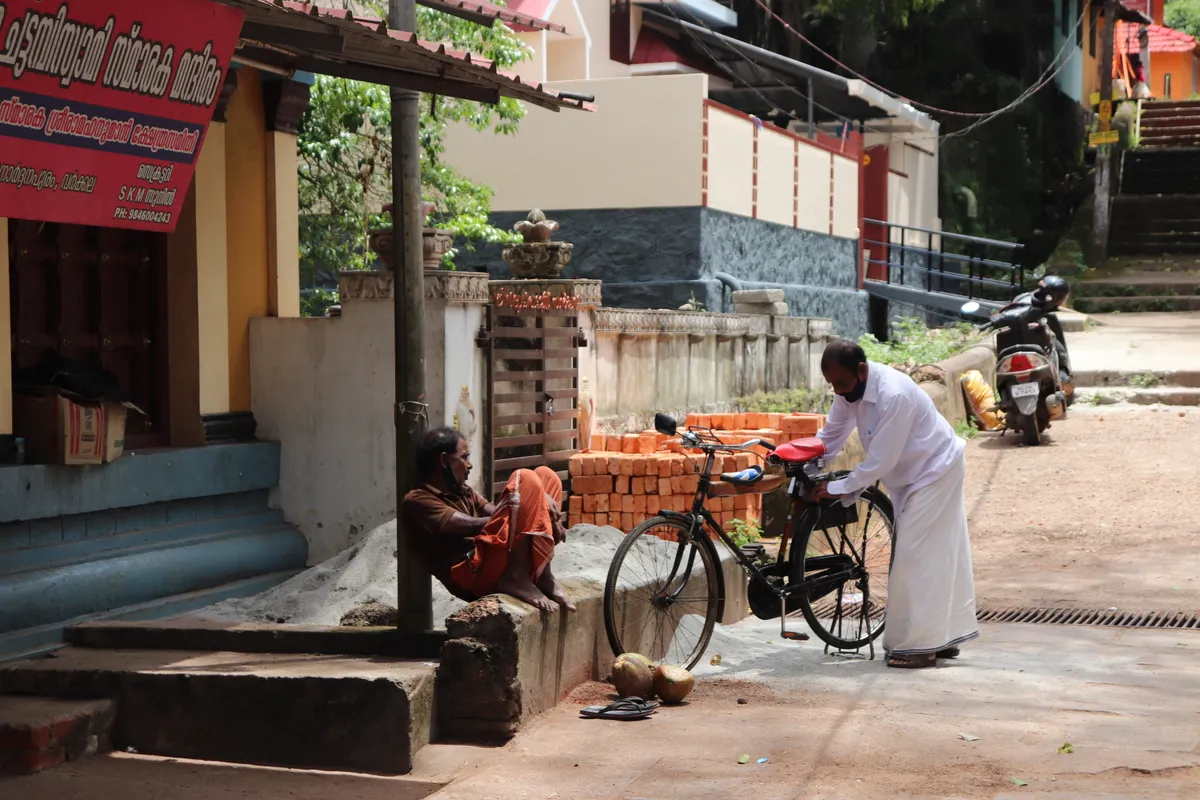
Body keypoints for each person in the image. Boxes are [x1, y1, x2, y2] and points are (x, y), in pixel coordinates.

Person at [811, 339, 979, 669]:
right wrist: (805, 467)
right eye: (832, 385)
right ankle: (943, 637)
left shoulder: (894, 394)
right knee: (938, 554)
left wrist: (836, 487)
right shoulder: (848, 393)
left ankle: (919, 646)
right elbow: (830, 436)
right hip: (912, 474)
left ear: (861, 371)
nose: (838, 391)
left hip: (936, 468)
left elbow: (879, 461)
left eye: (841, 383)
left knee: (913, 555)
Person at [401, 428, 576, 613]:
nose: (469, 465)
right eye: (464, 458)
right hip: (472, 574)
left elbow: (498, 513)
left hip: (493, 558)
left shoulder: (464, 491)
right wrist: (529, 502)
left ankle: (543, 574)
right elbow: (472, 524)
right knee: (525, 477)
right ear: (444, 461)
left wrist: (537, 500)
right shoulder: (418, 501)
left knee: (545, 476)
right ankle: (516, 577)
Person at [1012, 275, 1073, 392]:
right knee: (1054, 339)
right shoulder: (1045, 313)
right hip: (1030, 346)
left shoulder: (1021, 298)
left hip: (1014, 344)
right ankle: (1063, 374)